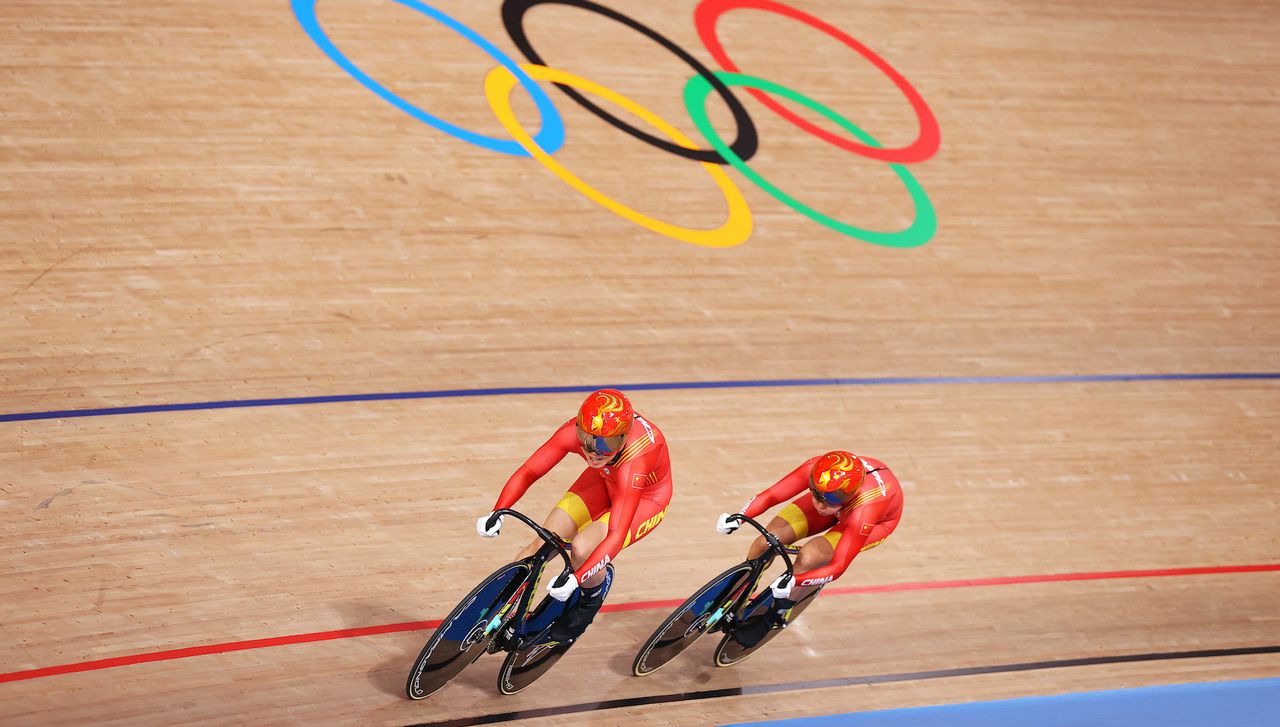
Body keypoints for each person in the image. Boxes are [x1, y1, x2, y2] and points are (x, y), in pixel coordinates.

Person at [477, 388, 672, 642]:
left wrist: (576, 580)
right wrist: (498, 510)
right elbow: (529, 471)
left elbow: (616, 534)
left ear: (623, 438)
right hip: (604, 478)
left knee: (581, 548)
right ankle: (496, 610)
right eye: (587, 439)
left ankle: (589, 601)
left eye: (605, 444)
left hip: (645, 497)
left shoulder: (637, 457)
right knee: (543, 542)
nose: (593, 450)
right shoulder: (579, 435)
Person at [716, 450, 903, 647]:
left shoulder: (866, 509)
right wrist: (737, 517)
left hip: (873, 522)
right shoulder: (819, 473)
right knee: (766, 541)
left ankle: (775, 614)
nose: (820, 505)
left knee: (809, 557)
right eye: (815, 493)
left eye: (829, 501)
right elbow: (771, 495)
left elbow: (838, 566)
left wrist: (796, 579)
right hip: (843, 502)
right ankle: (743, 588)